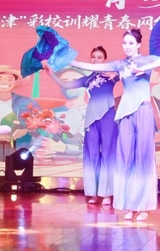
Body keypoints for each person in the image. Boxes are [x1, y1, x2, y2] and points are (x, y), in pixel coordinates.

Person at [70, 29, 160, 222]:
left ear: (138, 44)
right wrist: (67, 61)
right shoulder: (119, 64)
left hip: (142, 111)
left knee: (143, 158)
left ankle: (143, 206)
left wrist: (144, 68)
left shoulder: (146, 60)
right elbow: (88, 66)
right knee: (125, 158)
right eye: (125, 43)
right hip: (125, 113)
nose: (128, 46)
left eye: (131, 43)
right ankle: (130, 205)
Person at [43, 46, 119, 205]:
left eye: (99, 57)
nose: (96, 60)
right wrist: (50, 73)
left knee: (108, 153)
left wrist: (118, 73)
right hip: (91, 117)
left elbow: (128, 74)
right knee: (92, 154)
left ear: (104, 59)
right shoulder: (87, 80)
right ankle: (94, 193)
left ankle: (107, 194)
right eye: (94, 57)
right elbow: (65, 85)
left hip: (108, 115)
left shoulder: (111, 74)